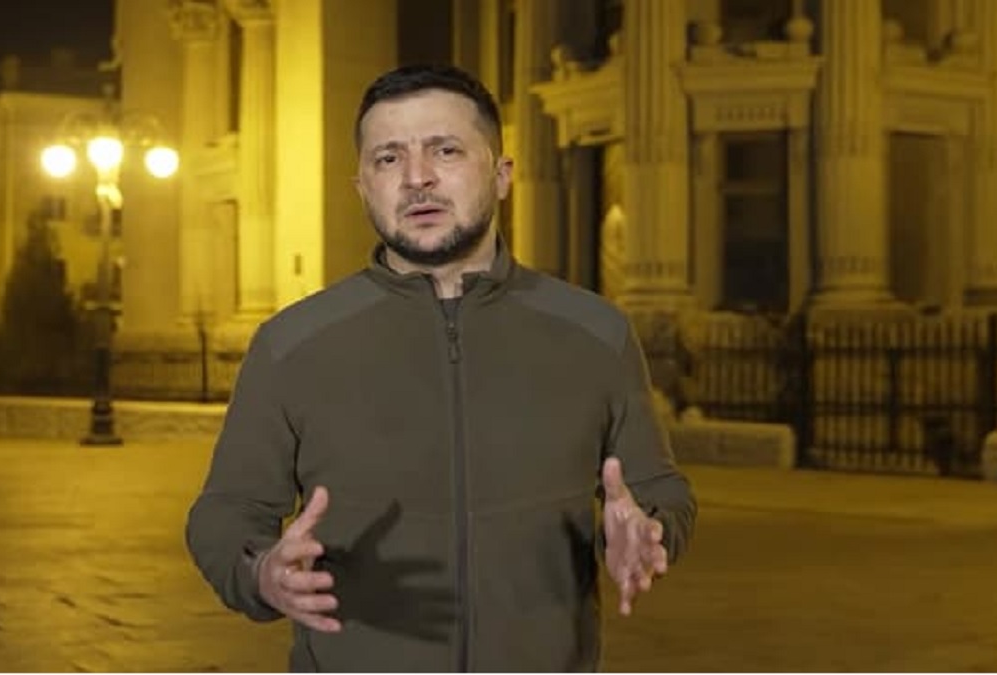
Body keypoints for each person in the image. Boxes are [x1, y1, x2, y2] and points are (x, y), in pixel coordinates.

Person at [186, 63, 696, 672]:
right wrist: (260, 571)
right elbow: (226, 512)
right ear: (362, 187)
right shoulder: (291, 345)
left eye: (445, 150)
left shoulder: (596, 333)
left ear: (502, 175)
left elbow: (659, 491)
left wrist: (649, 531)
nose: (417, 178)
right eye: (388, 159)